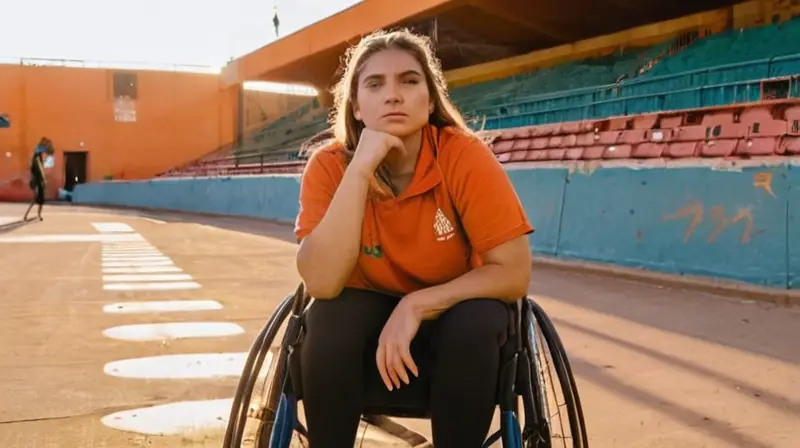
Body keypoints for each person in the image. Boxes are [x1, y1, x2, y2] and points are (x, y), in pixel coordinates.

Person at [294, 29, 533, 447]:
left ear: (429, 96)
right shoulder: (329, 166)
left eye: (409, 80)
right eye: (375, 84)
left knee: (479, 322)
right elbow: (321, 282)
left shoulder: (463, 155)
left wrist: (416, 304)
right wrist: (360, 169)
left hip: (453, 311)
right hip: (364, 318)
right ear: (355, 104)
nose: (393, 95)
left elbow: (513, 273)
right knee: (327, 319)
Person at [23, 137, 53, 221]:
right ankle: (29, 215)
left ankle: (38, 215)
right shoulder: (36, 160)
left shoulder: (39, 160)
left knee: (40, 200)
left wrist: (43, 181)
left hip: (39, 183)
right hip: (37, 183)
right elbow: (39, 171)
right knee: (37, 199)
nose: (45, 156)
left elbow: (41, 171)